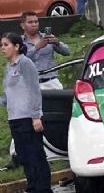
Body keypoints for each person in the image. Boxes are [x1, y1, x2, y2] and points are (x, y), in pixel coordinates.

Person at [0, 32, 52, 193]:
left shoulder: (25, 63)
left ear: (16, 46)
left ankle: (43, 188)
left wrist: (36, 116)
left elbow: (34, 90)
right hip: (14, 118)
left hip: (28, 118)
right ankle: (32, 187)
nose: (2, 48)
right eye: (1, 45)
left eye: (6, 45)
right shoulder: (9, 68)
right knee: (24, 156)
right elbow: (10, 95)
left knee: (35, 155)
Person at [20, 11, 70, 90]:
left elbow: (67, 52)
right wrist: (37, 47)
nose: (34, 24)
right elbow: (19, 59)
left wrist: (57, 43)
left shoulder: (47, 37)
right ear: (23, 25)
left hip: (51, 82)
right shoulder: (19, 42)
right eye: (30, 22)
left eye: (36, 22)